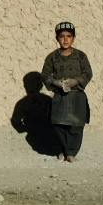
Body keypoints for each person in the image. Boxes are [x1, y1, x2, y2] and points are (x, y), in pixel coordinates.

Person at [41, 22, 93, 163]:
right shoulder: (52, 57)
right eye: (62, 36)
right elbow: (45, 75)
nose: (65, 39)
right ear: (57, 38)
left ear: (73, 38)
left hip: (77, 96)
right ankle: (61, 150)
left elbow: (88, 73)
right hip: (60, 96)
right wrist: (56, 82)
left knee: (76, 126)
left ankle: (71, 153)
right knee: (58, 124)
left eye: (69, 36)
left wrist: (76, 81)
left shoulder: (81, 56)